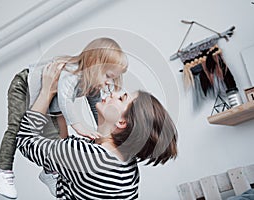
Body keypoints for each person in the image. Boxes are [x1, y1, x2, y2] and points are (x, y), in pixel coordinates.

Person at [16, 62, 178, 199]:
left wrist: (47, 92)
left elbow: (24, 140)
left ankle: (52, 173)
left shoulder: (90, 158)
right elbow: (91, 137)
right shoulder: (126, 161)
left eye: (122, 98)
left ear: (122, 121)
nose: (115, 93)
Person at [0, 37, 128, 199]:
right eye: (108, 76)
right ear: (93, 63)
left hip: (47, 100)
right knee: (15, 128)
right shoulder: (72, 73)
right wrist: (79, 126)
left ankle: (50, 172)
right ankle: (3, 169)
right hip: (24, 86)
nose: (108, 84)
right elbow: (64, 101)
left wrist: (103, 133)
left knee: (57, 139)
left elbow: (95, 105)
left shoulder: (92, 83)